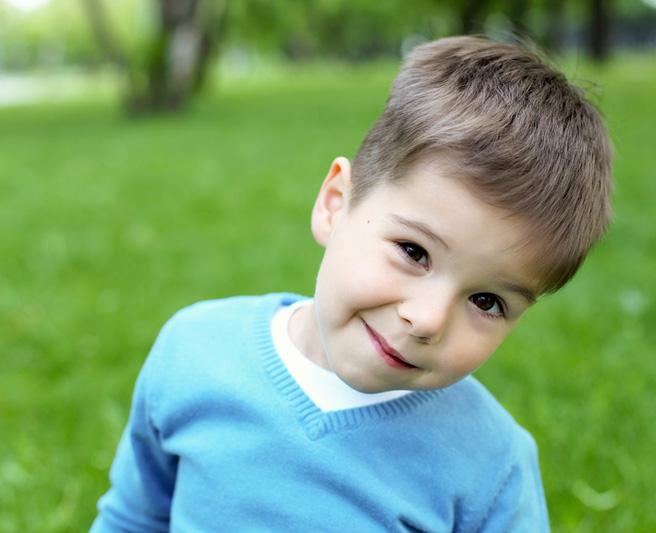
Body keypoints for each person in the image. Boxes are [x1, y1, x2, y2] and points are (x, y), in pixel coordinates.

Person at [91, 35, 612, 532]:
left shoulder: (490, 466)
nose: (427, 320)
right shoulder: (196, 352)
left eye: (486, 300)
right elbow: (134, 520)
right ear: (336, 202)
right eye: (414, 252)